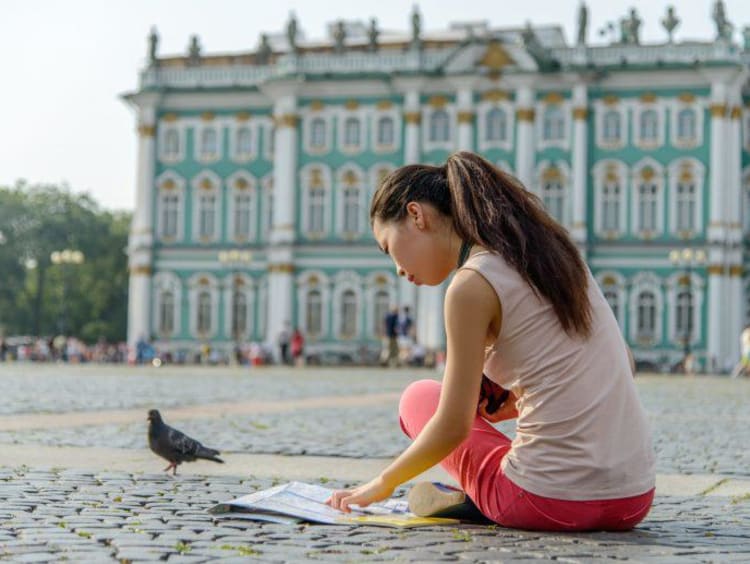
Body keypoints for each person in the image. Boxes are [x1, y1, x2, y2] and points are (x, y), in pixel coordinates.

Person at [327, 151, 655, 532]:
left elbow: (452, 425)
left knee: (418, 398)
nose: (398, 269)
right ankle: (474, 500)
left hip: (547, 502)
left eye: (388, 247)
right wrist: (518, 401)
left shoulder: (470, 285)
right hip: (633, 500)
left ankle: (479, 500)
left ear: (416, 215)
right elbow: (621, 361)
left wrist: (381, 485)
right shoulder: (556, 258)